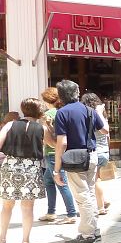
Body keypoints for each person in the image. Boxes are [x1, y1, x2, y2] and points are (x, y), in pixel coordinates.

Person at [54, 80, 108, 243]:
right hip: (92, 155)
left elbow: (62, 142)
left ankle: (87, 234)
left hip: (75, 158)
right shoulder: (89, 110)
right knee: (90, 193)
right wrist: (99, 112)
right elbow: (104, 130)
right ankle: (93, 229)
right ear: (77, 93)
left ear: (61, 95)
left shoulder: (62, 113)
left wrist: (57, 169)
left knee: (82, 196)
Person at [0, 98, 47, 243]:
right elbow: (53, 143)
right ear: (39, 111)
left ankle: (1, 239)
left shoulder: (10, 124)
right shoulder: (41, 128)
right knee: (27, 208)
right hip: (31, 168)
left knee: (7, 206)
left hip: (10, 166)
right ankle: (25, 242)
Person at [39, 88, 77, 224]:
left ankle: (71, 213)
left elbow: (45, 136)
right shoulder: (63, 112)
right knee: (48, 181)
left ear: (47, 100)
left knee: (61, 182)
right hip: (60, 150)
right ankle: (51, 212)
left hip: (51, 152)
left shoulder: (48, 114)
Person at [81, 93, 112, 216]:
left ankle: (100, 207)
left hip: (95, 151)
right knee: (96, 178)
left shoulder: (89, 116)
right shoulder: (102, 115)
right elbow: (107, 135)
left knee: (95, 179)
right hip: (104, 151)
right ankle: (103, 201)